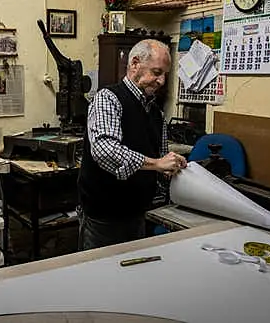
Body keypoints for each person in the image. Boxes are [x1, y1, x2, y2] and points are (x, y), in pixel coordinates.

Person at [77, 39, 188, 251]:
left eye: (165, 74)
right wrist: (156, 164)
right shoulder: (108, 99)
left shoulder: (156, 113)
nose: (162, 81)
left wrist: (171, 167)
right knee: (99, 276)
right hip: (104, 216)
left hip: (137, 213)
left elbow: (160, 157)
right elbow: (104, 149)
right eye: (156, 72)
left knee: (131, 274)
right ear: (135, 63)